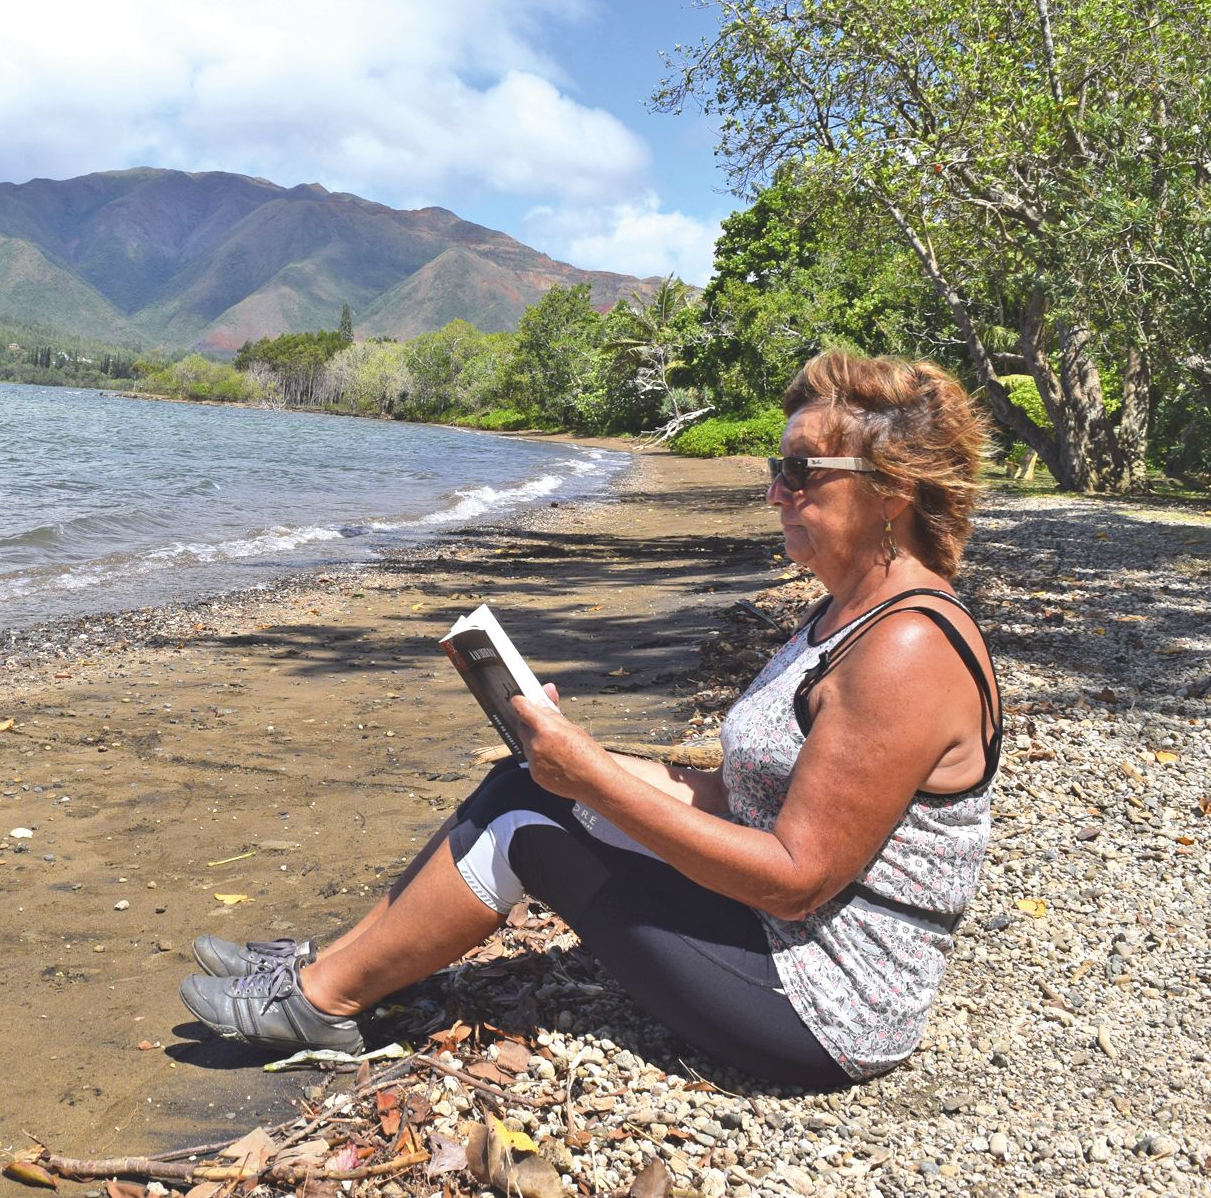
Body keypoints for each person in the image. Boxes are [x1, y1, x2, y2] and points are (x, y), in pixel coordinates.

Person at [179, 352, 1000, 1086]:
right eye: (774, 467)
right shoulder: (846, 613)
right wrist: (571, 755)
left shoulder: (906, 648)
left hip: (826, 1000)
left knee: (529, 829)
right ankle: (335, 964)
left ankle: (322, 1003)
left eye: (798, 470)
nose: (774, 491)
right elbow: (746, 798)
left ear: (891, 488)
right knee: (525, 778)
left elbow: (796, 880)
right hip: (777, 935)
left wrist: (591, 778)